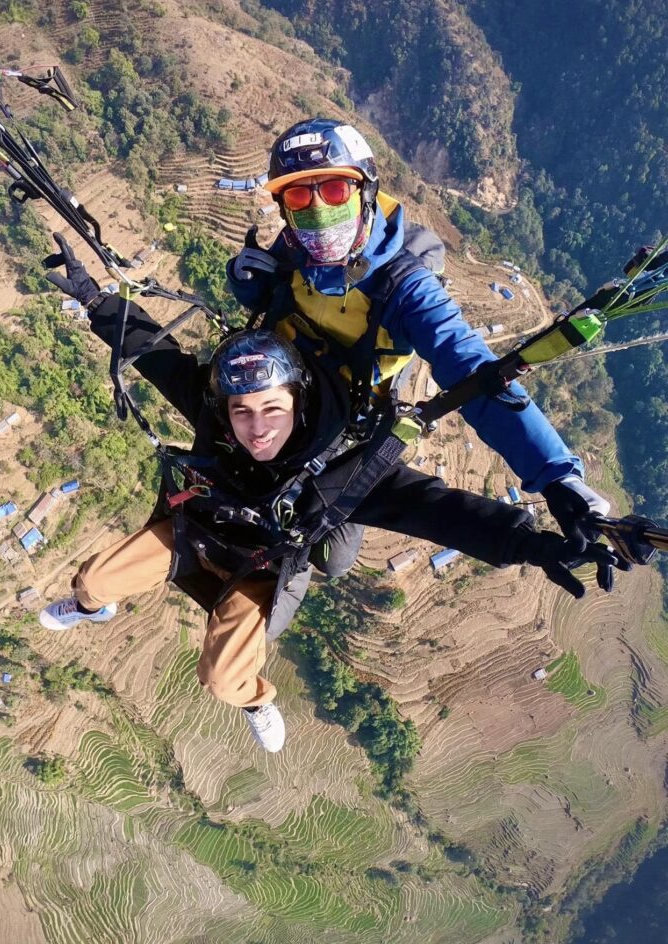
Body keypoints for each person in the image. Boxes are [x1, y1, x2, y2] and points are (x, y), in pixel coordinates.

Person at [37, 236, 625, 753]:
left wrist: (533, 545)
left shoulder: (345, 469)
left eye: (271, 409)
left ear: (297, 401)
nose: (256, 429)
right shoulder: (218, 418)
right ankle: (94, 608)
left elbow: (438, 512)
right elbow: (157, 356)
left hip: (263, 566)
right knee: (93, 581)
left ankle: (256, 701)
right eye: (242, 412)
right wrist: (96, 300)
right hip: (199, 529)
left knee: (221, 678)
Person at [227, 118, 612, 578]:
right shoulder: (293, 246)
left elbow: (473, 370)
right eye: (298, 196)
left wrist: (557, 476)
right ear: (284, 207)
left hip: (342, 423)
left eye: (334, 190)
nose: (318, 209)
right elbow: (274, 298)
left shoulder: (405, 287)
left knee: (332, 558)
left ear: (364, 192)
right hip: (278, 390)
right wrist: (249, 284)